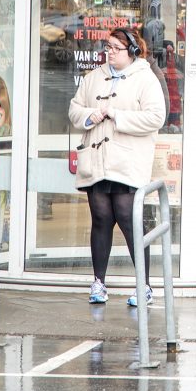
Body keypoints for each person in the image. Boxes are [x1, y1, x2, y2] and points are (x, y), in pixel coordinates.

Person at [68, 28, 166, 306]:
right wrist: (91, 115)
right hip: (96, 160)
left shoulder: (146, 78)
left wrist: (117, 115)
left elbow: (156, 117)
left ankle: (143, 285)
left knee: (129, 219)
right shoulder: (93, 77)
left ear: (132, 51)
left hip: (127, 161)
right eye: (107, 47)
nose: (109, 52)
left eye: (115, 48)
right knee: (100, 219)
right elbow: (75, 110)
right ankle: (98, 282)